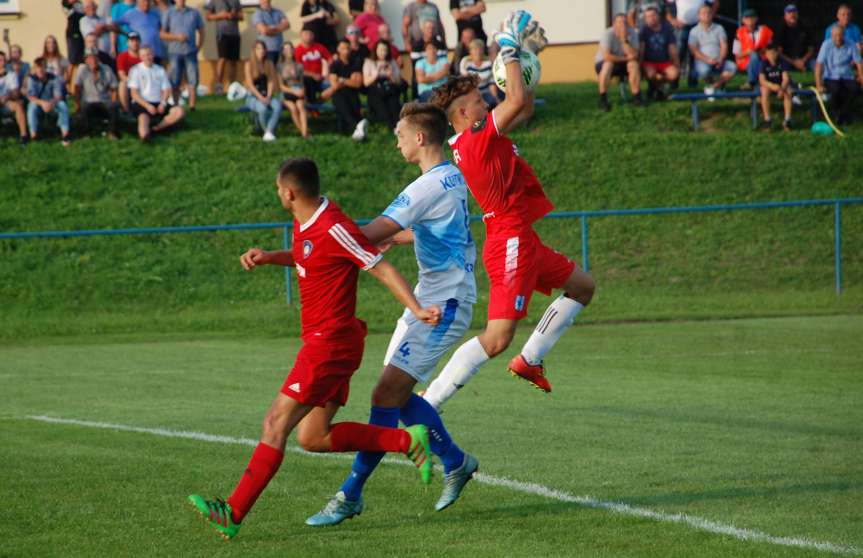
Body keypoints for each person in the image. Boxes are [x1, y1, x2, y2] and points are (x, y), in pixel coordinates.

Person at [188, 157, 440, 540]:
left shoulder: (333, 226)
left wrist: (417, 309)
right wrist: (271, 257)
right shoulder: (304, 218)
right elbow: (310, 257)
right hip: (332, 343)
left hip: (329, 346)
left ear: (289, 193)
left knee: (275, 423)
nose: (278, 194)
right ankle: (407, 440)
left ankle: (233, 511)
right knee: (313, 437)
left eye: (277, 189)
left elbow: (380, 266)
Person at [305, 103, 479, 526]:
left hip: (442, 304)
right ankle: (455, 461)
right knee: (394, 398)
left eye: (400, 134)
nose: (397, 141)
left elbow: (366, 234)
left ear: (420, 138)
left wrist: (320, 232)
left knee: (386, 396)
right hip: (435, 292)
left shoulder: (424, 187)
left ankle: (350, 495)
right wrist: (402, 238)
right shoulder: (451, 175)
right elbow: (434, 226)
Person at [426, 11, 595, 406]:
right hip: (509, 242)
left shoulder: (479, 137)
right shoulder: (474, 140)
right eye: (477, 101)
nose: (487, 102)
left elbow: (525, 106)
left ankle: (531, 359)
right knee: (496, 337)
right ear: (463, 115)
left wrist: (528, 56)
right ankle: (429, 401)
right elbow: (515, 98)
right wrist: (508, 45)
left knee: (583, 287)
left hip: (522, 237)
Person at [127, 44, 184, 141]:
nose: (147, 57)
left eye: (149, 54)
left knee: (179, 111)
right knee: (143, 118)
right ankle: (145, 137)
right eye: (144, 55)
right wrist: (147, 105)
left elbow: (167, 89)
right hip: (142, 103)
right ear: (140, 57)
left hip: (159, 102)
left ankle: (157, 129)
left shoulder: (160, 70)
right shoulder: (135, 70)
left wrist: (163, 103)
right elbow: (134, 94)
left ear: (153, 55)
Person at [160, 0, 205, 110]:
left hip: (190, 52)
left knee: (192, 79)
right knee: (175, 80)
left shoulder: (194, 13)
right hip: (174, 52)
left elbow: (202, 30)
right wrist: (177, 37)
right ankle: (176, 105)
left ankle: (192, 106)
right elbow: (162, 34)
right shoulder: (169, 13)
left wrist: (198, 46)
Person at [815, 24, 863, 126]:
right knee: (835, 91)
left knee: (855, 89)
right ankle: (839, 114)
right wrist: (819, 84)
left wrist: (861, 76)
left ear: (844, 35)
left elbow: (859, 62)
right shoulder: (826, 45)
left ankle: (842, 113)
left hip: (847, 75)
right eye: (835, 35)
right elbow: (819, 65)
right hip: (831, 76)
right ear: (831, 36)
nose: (838, 38)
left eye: (840, 35)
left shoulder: (851, 44)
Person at [594, 13, 642, 111]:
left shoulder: (632, 33)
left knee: (633, 65)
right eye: (619, 22)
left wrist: (624, 40)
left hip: (624, 62)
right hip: (604, 62)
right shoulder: (607, 34)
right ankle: (603, 99)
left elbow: (635, 55)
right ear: (614, 24)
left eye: (624, 22)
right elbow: (607, 56)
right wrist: (627, 58)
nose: (622, 25)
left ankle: (637, 97)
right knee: (608, 65)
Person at [322, 39, 367, 140]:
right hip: (338, 93)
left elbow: (358, 84)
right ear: (338, 49)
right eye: (343, 48)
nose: (346, 50)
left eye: (347, 48)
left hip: (352, 92)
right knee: (342, 103)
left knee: (354, 105)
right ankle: (357, 128)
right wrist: (349, 80)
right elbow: (335, 85)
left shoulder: (355, 63)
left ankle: (357, 128)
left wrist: (342, 79)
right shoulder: (334, 65)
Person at [688, 4, 735, 93]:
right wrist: (707, 60)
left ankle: (713, 87)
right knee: (704, 71)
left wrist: (720, 59)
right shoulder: (693, 31)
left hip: (719, 59)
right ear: (699, 16)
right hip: (703, 61)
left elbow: (724, 45)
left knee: (732, 67)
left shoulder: (719, 28)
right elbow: (693, 50)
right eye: (703, 13)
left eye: (709, 13)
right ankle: (718, 87)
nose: (706, 15)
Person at [74, 47, 120, 138]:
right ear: (85, 60)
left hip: (104, 100)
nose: (93, 60)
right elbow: (77, 88)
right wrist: (77, 104)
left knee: (114, 106)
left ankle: (112, 132)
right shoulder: (82, 69)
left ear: (98, 59)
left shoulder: (106, 69)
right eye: (90, 58)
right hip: (88, 101)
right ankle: (85, 133)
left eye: (95, 57)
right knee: (83, 109)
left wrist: (113, 100)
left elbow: (114, 88)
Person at [669, 0, 718, 86]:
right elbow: (665, 6)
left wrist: (710, 16)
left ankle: (693, 82)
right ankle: (674, 80)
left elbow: (715, 2)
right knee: (678, 54)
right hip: (681, 26)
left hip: (698, 26)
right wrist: (672, 20)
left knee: (696, 54)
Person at [26, 57, 72, 146]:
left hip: (52, 103)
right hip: (39, 104)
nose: (40, 70)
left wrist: (51, 103)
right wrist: (43, 103)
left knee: (62, 105)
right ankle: (34, 135)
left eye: (42, 67)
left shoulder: (54, 78)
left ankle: (65, 135)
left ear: (46, 68)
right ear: (35, 69)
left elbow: (58, 95)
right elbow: (31, 96)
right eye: (38, 67)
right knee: (32, 106)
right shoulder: (31, 79)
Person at [244, 40, 282, 142]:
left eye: (263, 48)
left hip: (267, 95)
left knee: (277, 106)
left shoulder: (268, 63)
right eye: (259, 48)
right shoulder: (249, 64)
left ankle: (268, 131)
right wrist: (260, 98)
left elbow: (271, 81)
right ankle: (267, 132)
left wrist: (269, 96)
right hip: (253, 96)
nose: (262, 51)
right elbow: (250, 85)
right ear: (254, 50)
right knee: (263, 109)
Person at [639, 5, 679, 100]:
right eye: (648, 16)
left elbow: (672, 48)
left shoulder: (667, 29)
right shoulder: (643, 31)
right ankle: (659, 90)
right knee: (651, 75)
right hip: (649, 62)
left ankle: (656, 88)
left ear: (658, 16)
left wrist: (677, 63)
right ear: (645, 19)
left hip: (664, 61)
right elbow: (641, 50)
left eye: (653, 15)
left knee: (674, 74)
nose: (651, 18)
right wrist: (639, 65)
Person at [363, 39, 402, 132]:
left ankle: (398, 126)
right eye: (380, 50)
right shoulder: (369, 62)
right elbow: (366, 82)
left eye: (385, 50)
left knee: (394, 103)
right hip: (375, 90)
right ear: (375, 50)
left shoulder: (392, 62)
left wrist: (390, 75)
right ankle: (392, 125)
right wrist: (376, 74)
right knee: (381, 104)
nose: (383, 53)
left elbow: (398, 81)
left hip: (389, 88)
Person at [205, 0, 242, 95]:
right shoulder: (214, 1)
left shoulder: (235, 1)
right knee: (222, 59)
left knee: (233, 61)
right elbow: (208, 16)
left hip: (234, 34)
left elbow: (241, 16)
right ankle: (218, 86)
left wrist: (234, 15)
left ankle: (233, 87)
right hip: (222, 34)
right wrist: (221, 15)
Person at [112, 0, 165, 66]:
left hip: (156, 53)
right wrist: (125, 34)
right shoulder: (131, 13)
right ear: (138, 2)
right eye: (143, 1)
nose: (146, 3)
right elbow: (113, 24)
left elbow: (163, 29)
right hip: (141, 54)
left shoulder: (156, 13)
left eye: (148, 1)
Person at [733, 9, 773, 89]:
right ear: (743, 20)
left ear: (756, 19)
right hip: (746, 62)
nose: (750, 20)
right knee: (754, 56)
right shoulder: (739, 33)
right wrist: (749, 52)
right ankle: (753, 82)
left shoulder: (765, 30)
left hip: (764, 60)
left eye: (752, 18)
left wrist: (762, 51)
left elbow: (772, 48)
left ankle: (752, 83)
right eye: (747, 18)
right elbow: (737, 54)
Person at [758, 44, 792, 131]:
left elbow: (786, 78)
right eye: (769, 54)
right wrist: (771, 86)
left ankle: (787, 119)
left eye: (773, 53)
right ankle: (767, 119)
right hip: (769, 85)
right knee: (764, 91)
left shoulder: (782, 62)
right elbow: (762, 80)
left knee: (788, 91)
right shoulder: (764, 63)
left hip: (781, 85)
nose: (771, 56)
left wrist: (782, 89)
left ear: (777, 53)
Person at [279, 42, 309, 138]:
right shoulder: (279, 66)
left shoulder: (299, 65)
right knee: (293, 108)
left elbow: (302, 82)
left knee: (300, 106)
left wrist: (302, 91)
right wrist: (293, 91)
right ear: (283, 52)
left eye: (291, 48)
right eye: (286, 49)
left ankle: (304, 133)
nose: (289, 51)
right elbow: (281, 86)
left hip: (298, 91)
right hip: (286, 92)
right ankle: (304, 133)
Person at [295, 28, 331, 105]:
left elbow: (330, 60)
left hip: (322, 78)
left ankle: (317, 103)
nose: (308, 36)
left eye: (310, 34)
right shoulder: (297, 50)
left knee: (335, 86)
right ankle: (311, 105)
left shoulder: (320, 47)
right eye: (305, 34)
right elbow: (298, 70)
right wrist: (313, 75)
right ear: (300, 36)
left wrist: (329, 74)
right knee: (306, 80)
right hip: (306, 80)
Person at [459, 38, 499, 107]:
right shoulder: (466, 63)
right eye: (475, 49)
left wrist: (496, 98)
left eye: (480, 49)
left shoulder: (488, 64)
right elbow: (465, 79)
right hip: (471, 93)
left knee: (492, 103)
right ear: (470, 51)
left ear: (483, 51)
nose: (478, 52)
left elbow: (491, 83)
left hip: (485, 93)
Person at [775, 4, 815, 73]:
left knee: (816, 65)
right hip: (788, 60)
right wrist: (794, 62)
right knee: (780, 67)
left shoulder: (805, 27)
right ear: (785, 16)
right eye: (789, 12)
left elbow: (811, 49)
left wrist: (803, 60)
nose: (792, 14)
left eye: (794, 12)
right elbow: (779, 52)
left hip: (804, 59)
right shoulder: (781, 29)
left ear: (797, 14)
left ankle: (820, 83)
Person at [0, 50, 29, 144]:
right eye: (0, 60)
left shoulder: (11, 75)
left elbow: (15, 93)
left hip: (6, 102)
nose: (3, 62)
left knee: (18, 106)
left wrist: (7, 96)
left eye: (4, 60)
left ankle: (24, 136)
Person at [252, 0, 290, 64]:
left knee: (279, 72)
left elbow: (287, 25)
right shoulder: (257, 14)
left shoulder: (278, 12)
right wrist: (279, 27)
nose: (265, 1)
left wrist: (271, 28)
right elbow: (264, 31)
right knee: (269, 72)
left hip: (280, 49)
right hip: (266, 51)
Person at [79, 0, 114, 69]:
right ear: (84, 9)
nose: (91, 8)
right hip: (95, 55)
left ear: (96, 7)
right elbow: (93, 34)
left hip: (108, 53)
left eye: (93, 6)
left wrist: (103, 27)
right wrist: (106, 27)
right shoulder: (84, 20)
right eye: (88, 7)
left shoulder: (103, 18)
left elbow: (114, 27)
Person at [116, 31, 141, 111]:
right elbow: (122, 76)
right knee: (122, 84)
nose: (135, 43)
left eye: (137, 40)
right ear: (127, 43)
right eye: (132, 41)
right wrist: (134, 84)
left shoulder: (144, 55)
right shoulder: (122, 56)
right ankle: (126, 111)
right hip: (130, 83)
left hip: (143, 83)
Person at [62, 0, 86, 67]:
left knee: (82, 57)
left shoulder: (80, 4)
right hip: (73, 33)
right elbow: (67, 4)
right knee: (73, 59)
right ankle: (69, 77)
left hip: (81, 32)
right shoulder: (65, 3)